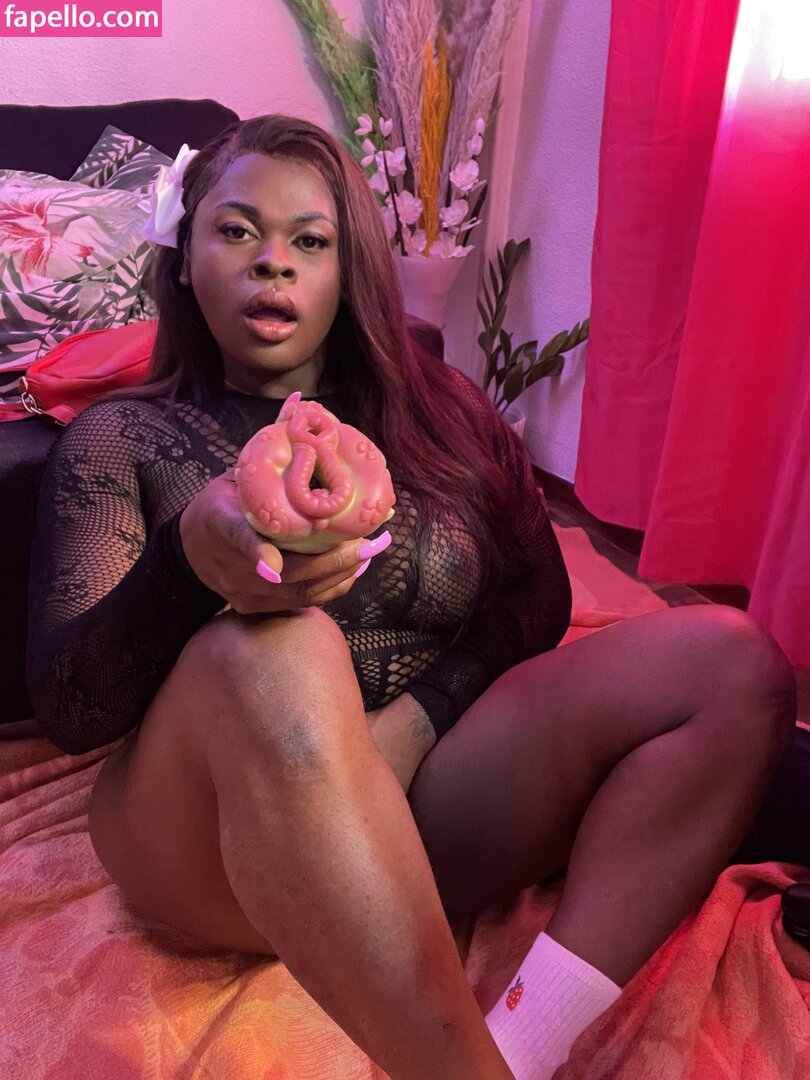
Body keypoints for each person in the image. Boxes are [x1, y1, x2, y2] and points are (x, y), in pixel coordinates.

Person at [26, 115, 796, 1080]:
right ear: (183, 259)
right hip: (209, 835)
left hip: (415, 803)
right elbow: (71, 708)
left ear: (348, 270)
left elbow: (538, 595)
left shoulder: (442, 409)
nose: (273, 262)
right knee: (284, 643)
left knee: (731, 660)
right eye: (236, 230)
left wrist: (417, 721)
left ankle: (521, 1046)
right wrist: (187, 563)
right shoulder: (121, 439)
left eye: (311, 241)